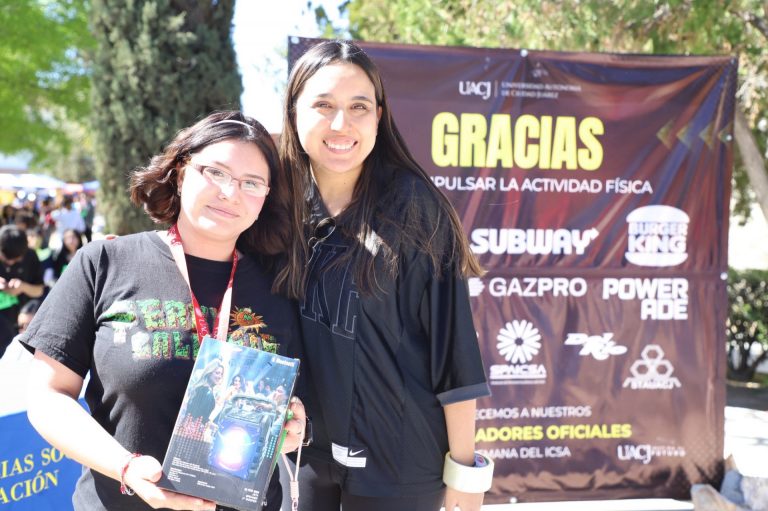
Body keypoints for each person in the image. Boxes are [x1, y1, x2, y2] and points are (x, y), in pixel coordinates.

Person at [22, 111, 307, 511]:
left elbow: (296, 402)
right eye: (216, 172)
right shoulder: (105, 263)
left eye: (251, 183)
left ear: (266, 198)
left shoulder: (280, 286)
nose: (231, 192)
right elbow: (48, 396)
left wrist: (292, 428)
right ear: (181, 172)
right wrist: (126, 468)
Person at [275, 40, 492, 511]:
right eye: (323, 105)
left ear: (378, 116)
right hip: (303, 455)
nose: (341, 123)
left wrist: (466, 474)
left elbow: (454, 351)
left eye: (358, 107)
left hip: (400, 464)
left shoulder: (414, 207)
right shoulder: (276, 209)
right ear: (293, 112)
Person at [0, 224, 44, 357]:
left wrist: (23, 287)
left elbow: (39, 290)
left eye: (15, 259)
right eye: (6, 258)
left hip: (24, 325)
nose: (10, 263)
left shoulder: (31, 256)